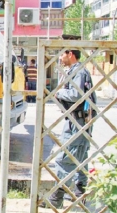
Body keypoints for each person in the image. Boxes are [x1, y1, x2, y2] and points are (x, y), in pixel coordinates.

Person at [41, 50, 96, 208]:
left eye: (61, 55)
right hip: (80, 120)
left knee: (65, 158)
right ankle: (80, 196)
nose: (60, 58)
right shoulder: (79, 70)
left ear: (70, 54)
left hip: (76, 122)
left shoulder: (78, 71)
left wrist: (59, 92)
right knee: (80, 158)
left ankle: (56, 199)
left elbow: (76, 95)